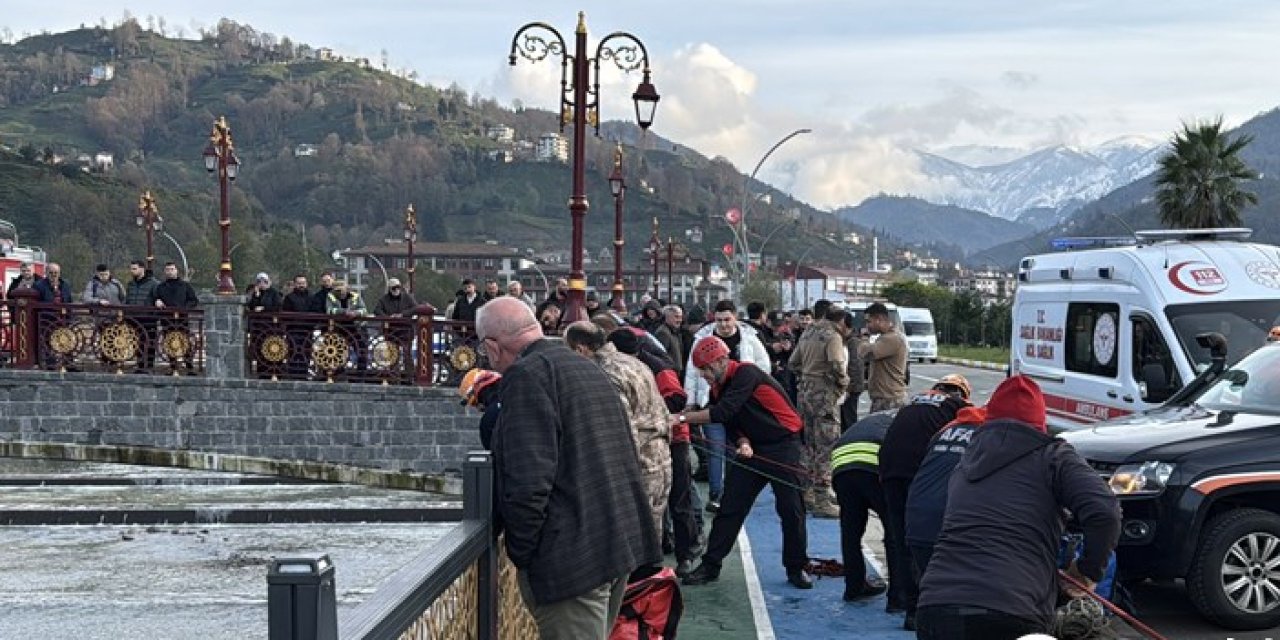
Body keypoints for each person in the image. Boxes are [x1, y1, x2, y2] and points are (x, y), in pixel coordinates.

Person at [477, 297, 659, 639]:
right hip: (614, 544)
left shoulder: (527, 376)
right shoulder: (585, 366)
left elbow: (528, 479)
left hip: (571, 562)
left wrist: (524, 553)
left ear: (492, 346)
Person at [916, 376, 1121, 639]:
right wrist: (1086, 571)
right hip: (1012, 608)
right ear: (1040, 422)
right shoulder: (1053, 456)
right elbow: (1104, 511)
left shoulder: (965, 461)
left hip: (936, 607)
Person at [678, 336, 813, 590]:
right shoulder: (718, 387)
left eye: (706, 369)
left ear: (721, 361)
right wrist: (742, 441)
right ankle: (711, 565)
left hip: (784, 444)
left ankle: (796, 567)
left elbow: (723, 412)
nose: (704, 376)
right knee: (730, 506)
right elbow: (729, 421)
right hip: (755, 447)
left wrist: (681, 419)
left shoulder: (746, 373)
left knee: (791, 509)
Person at [564, 322, 672, 550]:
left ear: (581, 348)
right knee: (652, 537)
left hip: (638, 465)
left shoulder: (604, 374)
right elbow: (661, 410)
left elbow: (622, 429)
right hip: (660, 457)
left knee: (632, 544)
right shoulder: (634, 363)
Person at [877, 374, 970, 630]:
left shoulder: (913, 402)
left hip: (889, 470)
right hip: (918, 472)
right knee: (924, 539)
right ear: (961, 394)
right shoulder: (956, 406)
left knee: (899, 538)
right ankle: (926, 606)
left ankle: (901, 602)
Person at [608, 328, 700, 578]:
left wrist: (651, 413)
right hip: (650, 440)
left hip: (673, 438)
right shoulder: (634, 367)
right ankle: (661, 544)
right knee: (655, 501)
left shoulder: (657, 367)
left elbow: (678, 398)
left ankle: (687, 553)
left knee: (679, 497)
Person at [683, 300, 771, 512]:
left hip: (740, 404)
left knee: (735, 450)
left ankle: (733, 493)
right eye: (719, 320)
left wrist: (753, 391)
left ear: (735, 318)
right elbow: (692, 373)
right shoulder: (702, 340)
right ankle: (716, 495)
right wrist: (690, 401)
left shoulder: (749, 338)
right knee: (715, 450)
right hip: (710, 403)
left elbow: (763, 367)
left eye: (727, 320)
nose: (723, 324)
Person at [904, 405, 987, 578]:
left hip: (917, 518)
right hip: (949, 526)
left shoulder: (945, 431)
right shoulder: (991, 438)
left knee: (927, 585)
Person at [788, 306, 852, 517]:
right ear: (840, 321)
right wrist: (843, 383)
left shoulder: (808, 333)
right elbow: (836, 364)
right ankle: (822, 500)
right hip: (824, 395)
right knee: (827, 445)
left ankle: (806, 492)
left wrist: (805, 378)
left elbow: (793, 363)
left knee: (808, 444)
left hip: (805, 393)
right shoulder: (832, 336)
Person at [831, 409, 898, 602]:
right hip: (872, 466)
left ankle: (854, 587)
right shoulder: (913, 423)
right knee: (894, 530)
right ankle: (898, 594)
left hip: (841, 465)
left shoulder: (880, 418)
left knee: (850, 531)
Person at [856, 302, 909, 412]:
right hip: (884, 398)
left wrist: (864, 337)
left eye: (869, 321)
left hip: (890, 400)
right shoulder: (886, 337)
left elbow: (866, 353)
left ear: (879, 319)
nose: (867, 326)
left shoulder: (892, 338)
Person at [153, 262, 200, 372]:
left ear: (176, 270)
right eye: (167, 270)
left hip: (182, 319)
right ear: (165, 272)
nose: (170, 272)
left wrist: (184, 308)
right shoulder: (161, 287)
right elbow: (155, 298)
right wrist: (157, 301)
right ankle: (173, 366)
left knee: (185, 342)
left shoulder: (185, 286)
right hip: (166, 319)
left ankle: (189, 366)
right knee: (169, 342)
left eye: (172, 269)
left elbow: (193, 300)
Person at [125, 261, 160, 372]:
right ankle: (140, 365)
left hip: (148, 318)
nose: (132, 271)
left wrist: (154, 314)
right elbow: (127, 300)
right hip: (134, 318)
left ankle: (149, 366)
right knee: (137, 343)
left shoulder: (154, 283)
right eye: (131, 269)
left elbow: (157, 298)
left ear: (142, 269)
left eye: (134, 269)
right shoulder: (131, 284)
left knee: (150, 342)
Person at [841, 312, 867, 428]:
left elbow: (855, 367)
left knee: (849, 419)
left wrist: (849, 388)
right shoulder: (847, 340)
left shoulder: (853, 342)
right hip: (849, 386)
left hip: (851, 388)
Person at [663, 305, 693, 376]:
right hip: (670, 374)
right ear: (667, 317)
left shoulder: (675, 331)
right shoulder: (663, 333)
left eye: (680, 317)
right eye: (676, 317)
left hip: (676, 373)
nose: (679, 320)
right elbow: (662, 356)